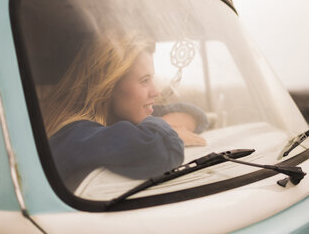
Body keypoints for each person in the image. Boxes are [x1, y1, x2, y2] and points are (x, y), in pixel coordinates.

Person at [43, 31, 208, 192]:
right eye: (145, 80)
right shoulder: (73, 136)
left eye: (152, 79)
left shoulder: (120, 118)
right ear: (109, 86)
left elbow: (195, 114)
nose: (156, 91)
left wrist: (165, 128)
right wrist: (171, 133)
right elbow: (155, 150)